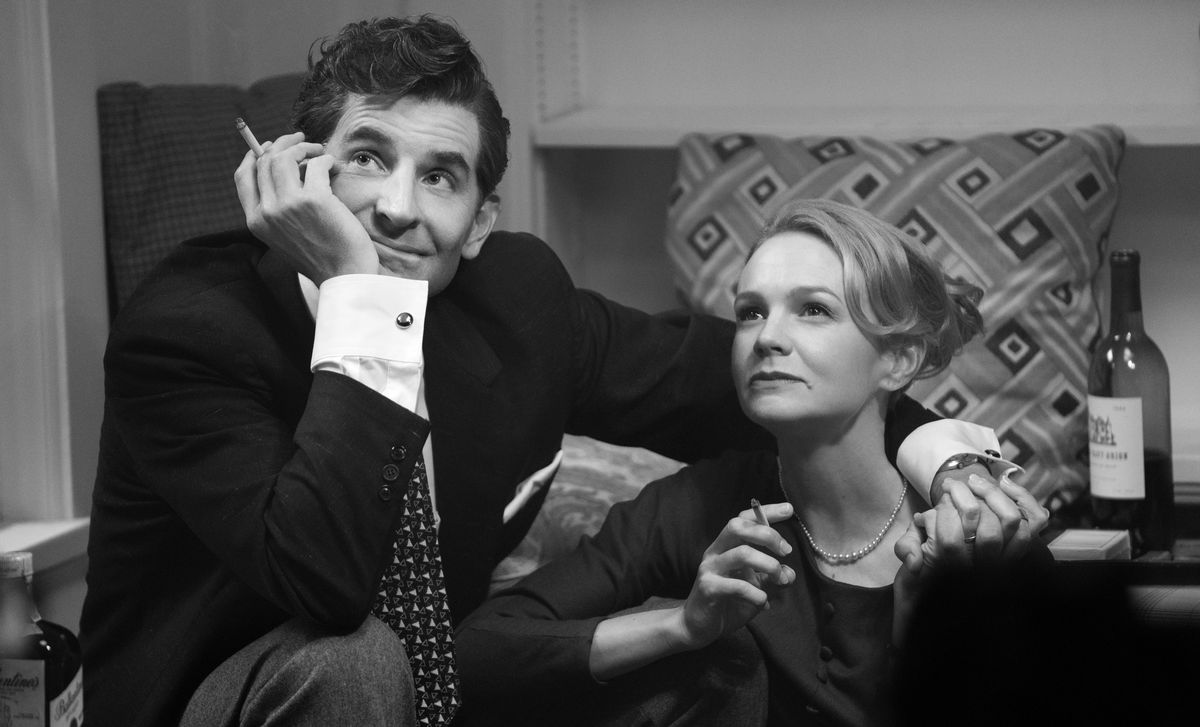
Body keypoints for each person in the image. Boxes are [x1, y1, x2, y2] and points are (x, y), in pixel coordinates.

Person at [79, 15, 1043, 727]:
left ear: (483, 222)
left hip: (439, 690)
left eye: (442, 177)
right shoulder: (188, 330)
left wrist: (946, 462)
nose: (397, 209)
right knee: (359, 662)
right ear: (298, 172)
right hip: (222, 690)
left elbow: (761, 379)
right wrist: (359, 295)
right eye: (366, 158)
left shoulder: (517, 300)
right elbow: (323, 583)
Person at [454, 199, 1052, 727]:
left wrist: (923, 638)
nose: (768, 337)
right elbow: (477, 650)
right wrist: (679, 627)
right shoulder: (698, 504)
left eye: (813, 310)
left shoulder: (982, 531)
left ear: (898, 360)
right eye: (750, 312)